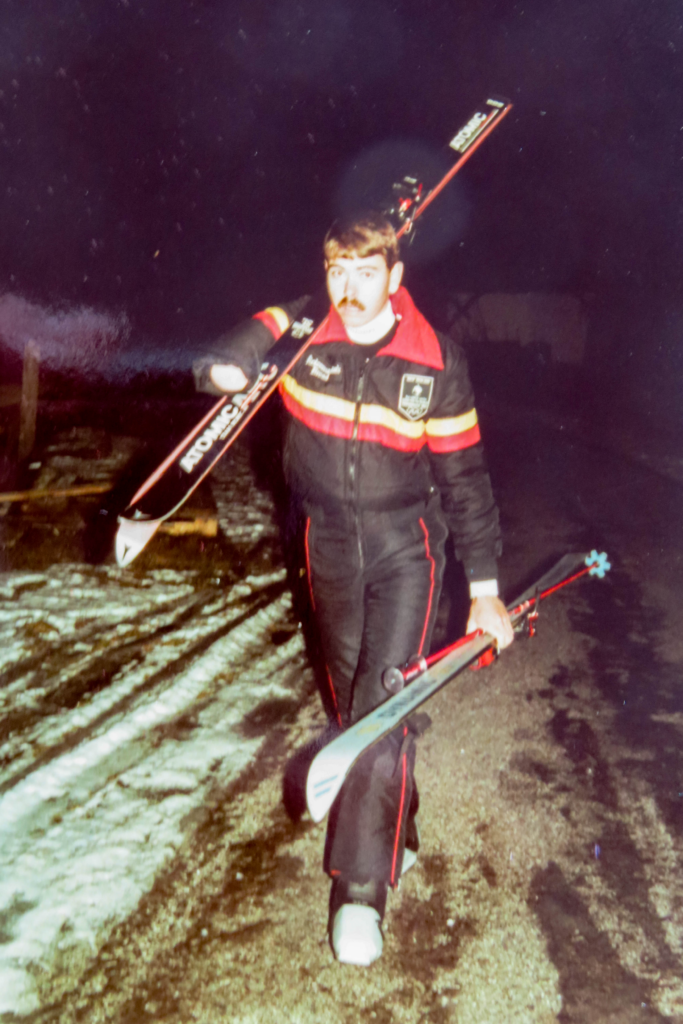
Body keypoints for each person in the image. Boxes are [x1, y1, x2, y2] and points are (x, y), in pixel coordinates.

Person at [194, 212, 513, 966]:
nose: (349, 286)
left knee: (379, 707)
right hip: (325, 541)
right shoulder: (308, 338)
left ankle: (359, 890)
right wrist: (227, 366)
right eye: (337, 270)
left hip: (408, 549)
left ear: (396, 279)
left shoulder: (435, 360)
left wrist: (487, 588)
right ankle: (393, 827)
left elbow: (464, 479)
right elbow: (222, 359)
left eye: (366, 271)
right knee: (354, 709)